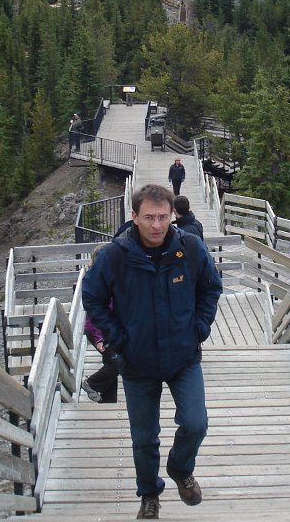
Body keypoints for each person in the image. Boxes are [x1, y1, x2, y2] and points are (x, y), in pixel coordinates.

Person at [82, 184, 223, 520]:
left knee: (196, 423)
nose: (157, 224)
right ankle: (149, 495)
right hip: (137, 363)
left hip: (183, 357)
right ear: (134, 217)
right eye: (149, 217)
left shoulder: (189, 248)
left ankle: (179, 469)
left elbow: (211, 287)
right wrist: (117, 338)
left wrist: (199, 328)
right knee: (144, 439)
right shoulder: (115, 256)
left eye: (163, 217)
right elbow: (93, 298)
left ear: (173, 215)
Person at [82, 311, 120, 403]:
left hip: (112, 329)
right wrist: (98, 338)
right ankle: (91, 384)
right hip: (97, 329)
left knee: (111, 361)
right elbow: (94, 309)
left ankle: (108, 401)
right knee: (117, 362)